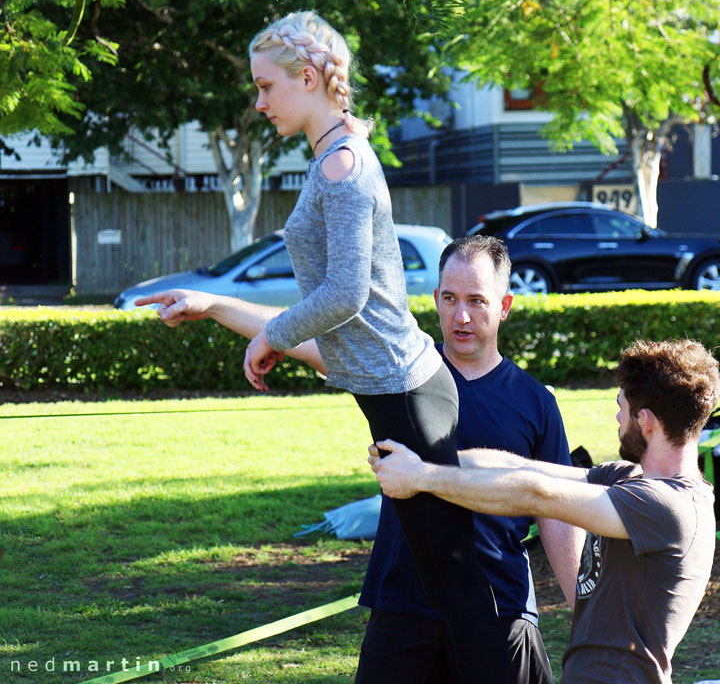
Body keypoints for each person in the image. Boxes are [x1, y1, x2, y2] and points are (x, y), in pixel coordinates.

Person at [137, 11, 508, 683]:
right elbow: (347, 332)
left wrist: (274, 335)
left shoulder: (341, 167)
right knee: (439, 584)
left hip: (408, 399)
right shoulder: (334, 157)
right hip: (396, 392)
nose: (259, 102)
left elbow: (345, 295)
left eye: (265, 86)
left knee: (455, 586)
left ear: (307, 79)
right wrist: (220, 308)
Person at [138, 234, 583, 683]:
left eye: (477, 301)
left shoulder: (535, 402)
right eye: (449, 298)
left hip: (499, 612)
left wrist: (588, 619)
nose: (460, 316)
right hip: (404, 607)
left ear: (505, 305)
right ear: (434, 298)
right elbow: (298, 337)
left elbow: (560, 518)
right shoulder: (401, 372)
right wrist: (213, 305)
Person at [369, 338, 719, 684]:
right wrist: (415, 460)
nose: (616, 416)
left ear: (645, 422)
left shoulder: (671, 506)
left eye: (621, 407)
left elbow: (536, 494)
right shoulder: (628, 479)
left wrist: (423, 477)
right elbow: (522, 468)